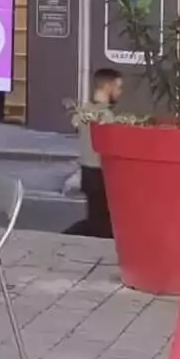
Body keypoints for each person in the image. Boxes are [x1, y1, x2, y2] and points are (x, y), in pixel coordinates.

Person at [64, 68, 124, 238]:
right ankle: (66, 237)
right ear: (108, 86)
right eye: (118, 87)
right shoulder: (105, 116)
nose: (120, 92)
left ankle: (67, 236)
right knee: (101, 225)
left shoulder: (84, 111)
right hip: (100, 172)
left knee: (97, 220)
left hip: (88, 171)